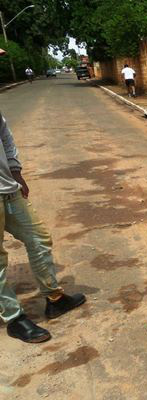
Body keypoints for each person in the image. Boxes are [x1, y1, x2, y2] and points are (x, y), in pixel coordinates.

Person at [0, 113, 86, 343]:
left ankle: (55, 299)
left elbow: (4, 135)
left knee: (39, 238)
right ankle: (14, 318)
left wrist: (15, 171)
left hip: (7, 189)